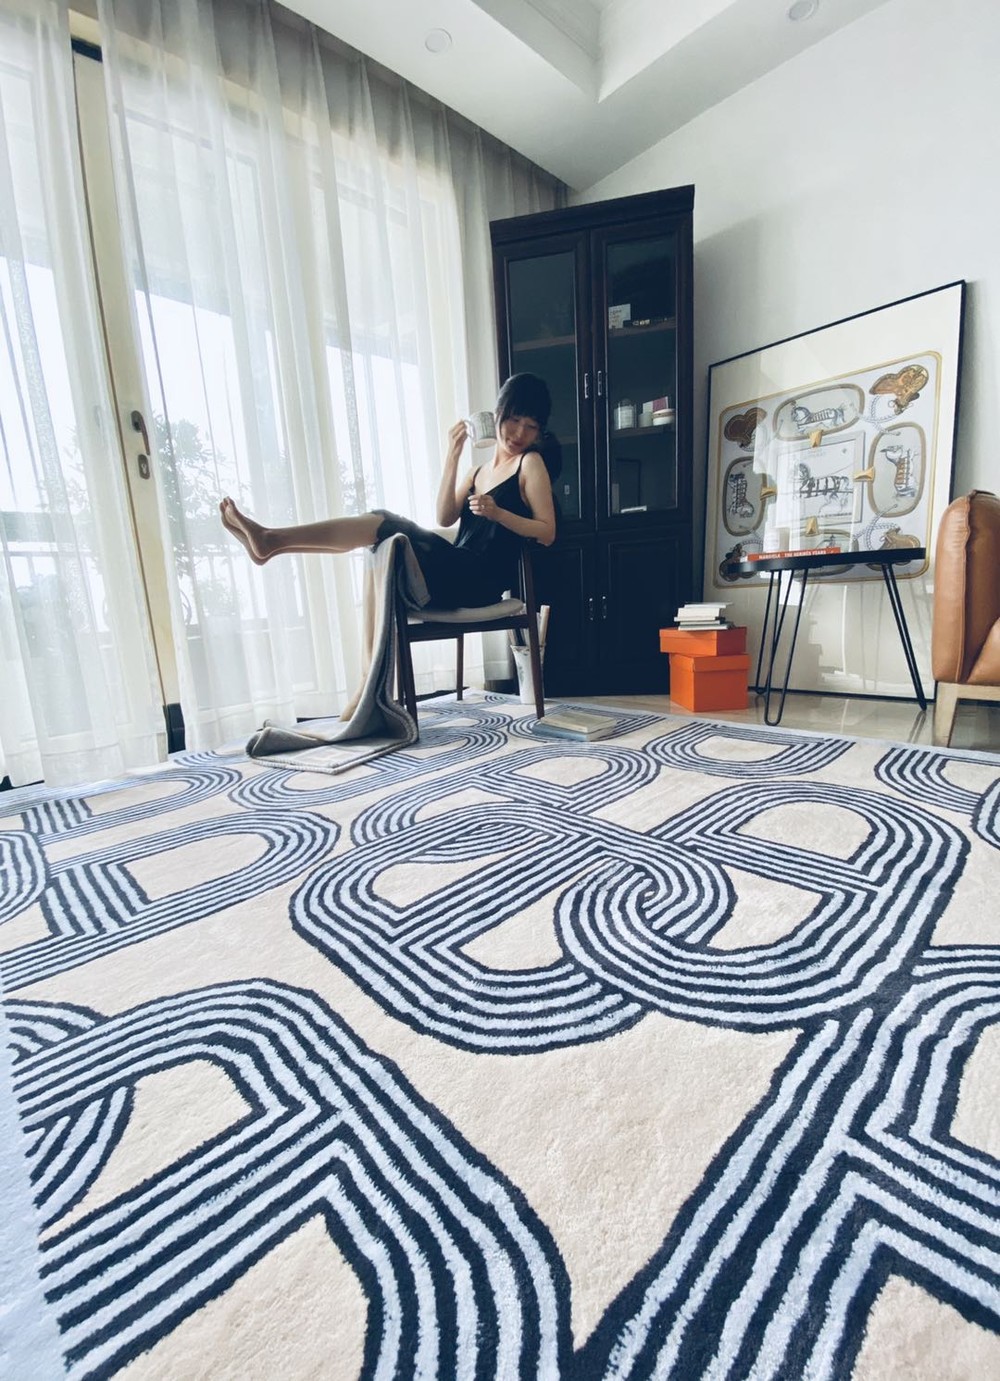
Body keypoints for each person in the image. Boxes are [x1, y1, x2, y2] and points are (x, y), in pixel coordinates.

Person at [219, 372, 558, 610]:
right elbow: (444, 517)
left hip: (479, 583)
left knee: (387, 524)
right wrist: (452, 456)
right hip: (455, 566)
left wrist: (499, 513)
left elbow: (547, 532)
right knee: (382, 532)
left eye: (531, 427)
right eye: (514, 420)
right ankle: (273, 544)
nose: (519, 433)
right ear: (497, 415)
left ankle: (272, 541)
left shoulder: (530, 464)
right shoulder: (477, 472)